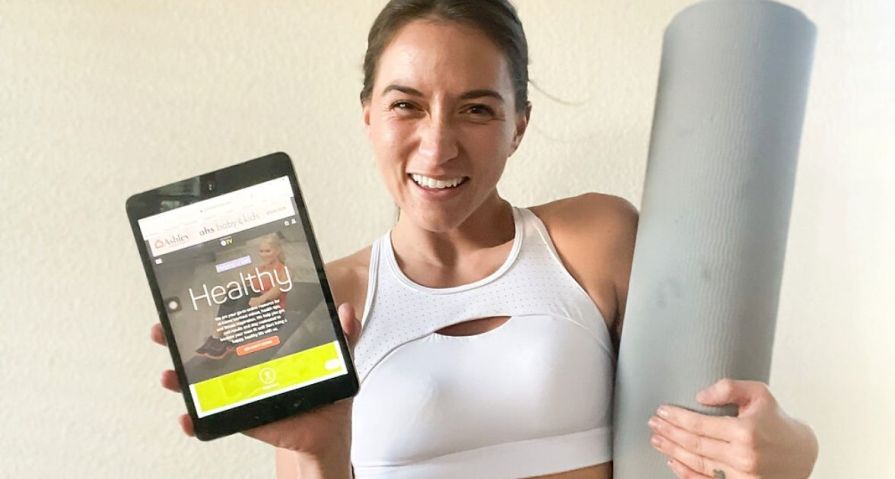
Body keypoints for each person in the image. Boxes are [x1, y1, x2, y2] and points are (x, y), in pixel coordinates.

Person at [152, 1, 819, 477]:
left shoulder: (595, 240)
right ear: (368, 118)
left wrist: (796, 450)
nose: (438, 145)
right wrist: (323, 454)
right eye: (406, 103)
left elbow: (703, 426)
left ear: (519, 126)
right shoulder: (322, 302)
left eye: (476, 108)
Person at [194, 233, 290, 359]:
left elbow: (277, 290)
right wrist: (231, 289)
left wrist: (261, 298)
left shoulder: (283, 271)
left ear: (277, 251)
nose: (264, 254)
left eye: (268, 251)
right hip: (254, 309)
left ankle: (229, 339)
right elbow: (243, 282)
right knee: (235, 291)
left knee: (248, 292)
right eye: (261, 251)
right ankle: (216, 336)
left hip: (273, 314)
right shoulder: (259, 269)